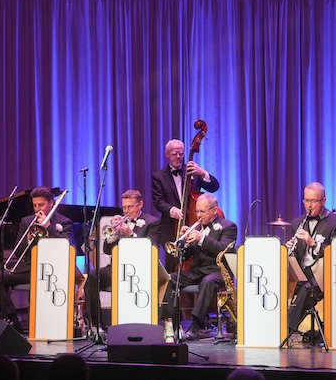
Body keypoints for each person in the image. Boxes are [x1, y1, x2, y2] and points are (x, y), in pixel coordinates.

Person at [0, 186, 73, 334]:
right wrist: (28, 238)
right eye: (34, 205)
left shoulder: (64, 221)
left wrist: (49, 228)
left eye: (40, 205)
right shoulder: (26, 221)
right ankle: (12, 320)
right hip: (30, 268)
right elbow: (19, 250)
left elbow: (64, 248)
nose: (37, 209)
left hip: (53, 270)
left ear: (51, 204)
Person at [160, 193, 236, 340]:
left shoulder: (228, 226)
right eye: (197, 211)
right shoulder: (198, 228)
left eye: (203, 211)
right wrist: (182, 243)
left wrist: (202, 239)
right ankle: (174, 323)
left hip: (218, 271)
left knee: (208, 282)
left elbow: (223, 249)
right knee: (169, 279)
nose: (198, 215)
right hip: (197, 271)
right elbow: (185, 256)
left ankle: (196, 325)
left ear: (214, 211)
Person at [83, 189, 159, 331]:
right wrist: (112, 235)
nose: (126, 211)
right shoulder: (119, 223)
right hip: (116, 269)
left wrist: (131, 234)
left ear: (140, 204)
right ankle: (96, 324)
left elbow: (152, 248)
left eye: (130, 207)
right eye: (124, 207)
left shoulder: (152, 222)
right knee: (92, 276)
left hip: (140, 270)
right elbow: (106, 250)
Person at [286, 182, 336, 333]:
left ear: (324, 200)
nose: (309, 205)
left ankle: (288, 330)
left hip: (323, 273)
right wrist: (288, 250)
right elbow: (297, 256)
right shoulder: (297, 223)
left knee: (307, 288)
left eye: (313, 201)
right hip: (302, 272)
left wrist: (312, 243)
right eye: (306, 201)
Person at [151, 139, 220, 271]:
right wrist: (172, 210)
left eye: (181, 154)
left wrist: (203, 173)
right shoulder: (158, 176)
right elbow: (157, 201)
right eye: (174, 154)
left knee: (197, 259)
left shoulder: (192, 171)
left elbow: (214, 187)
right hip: (171, 226)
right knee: (172, 264)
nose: (178, 157)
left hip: (195, 224)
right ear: (167, 154)